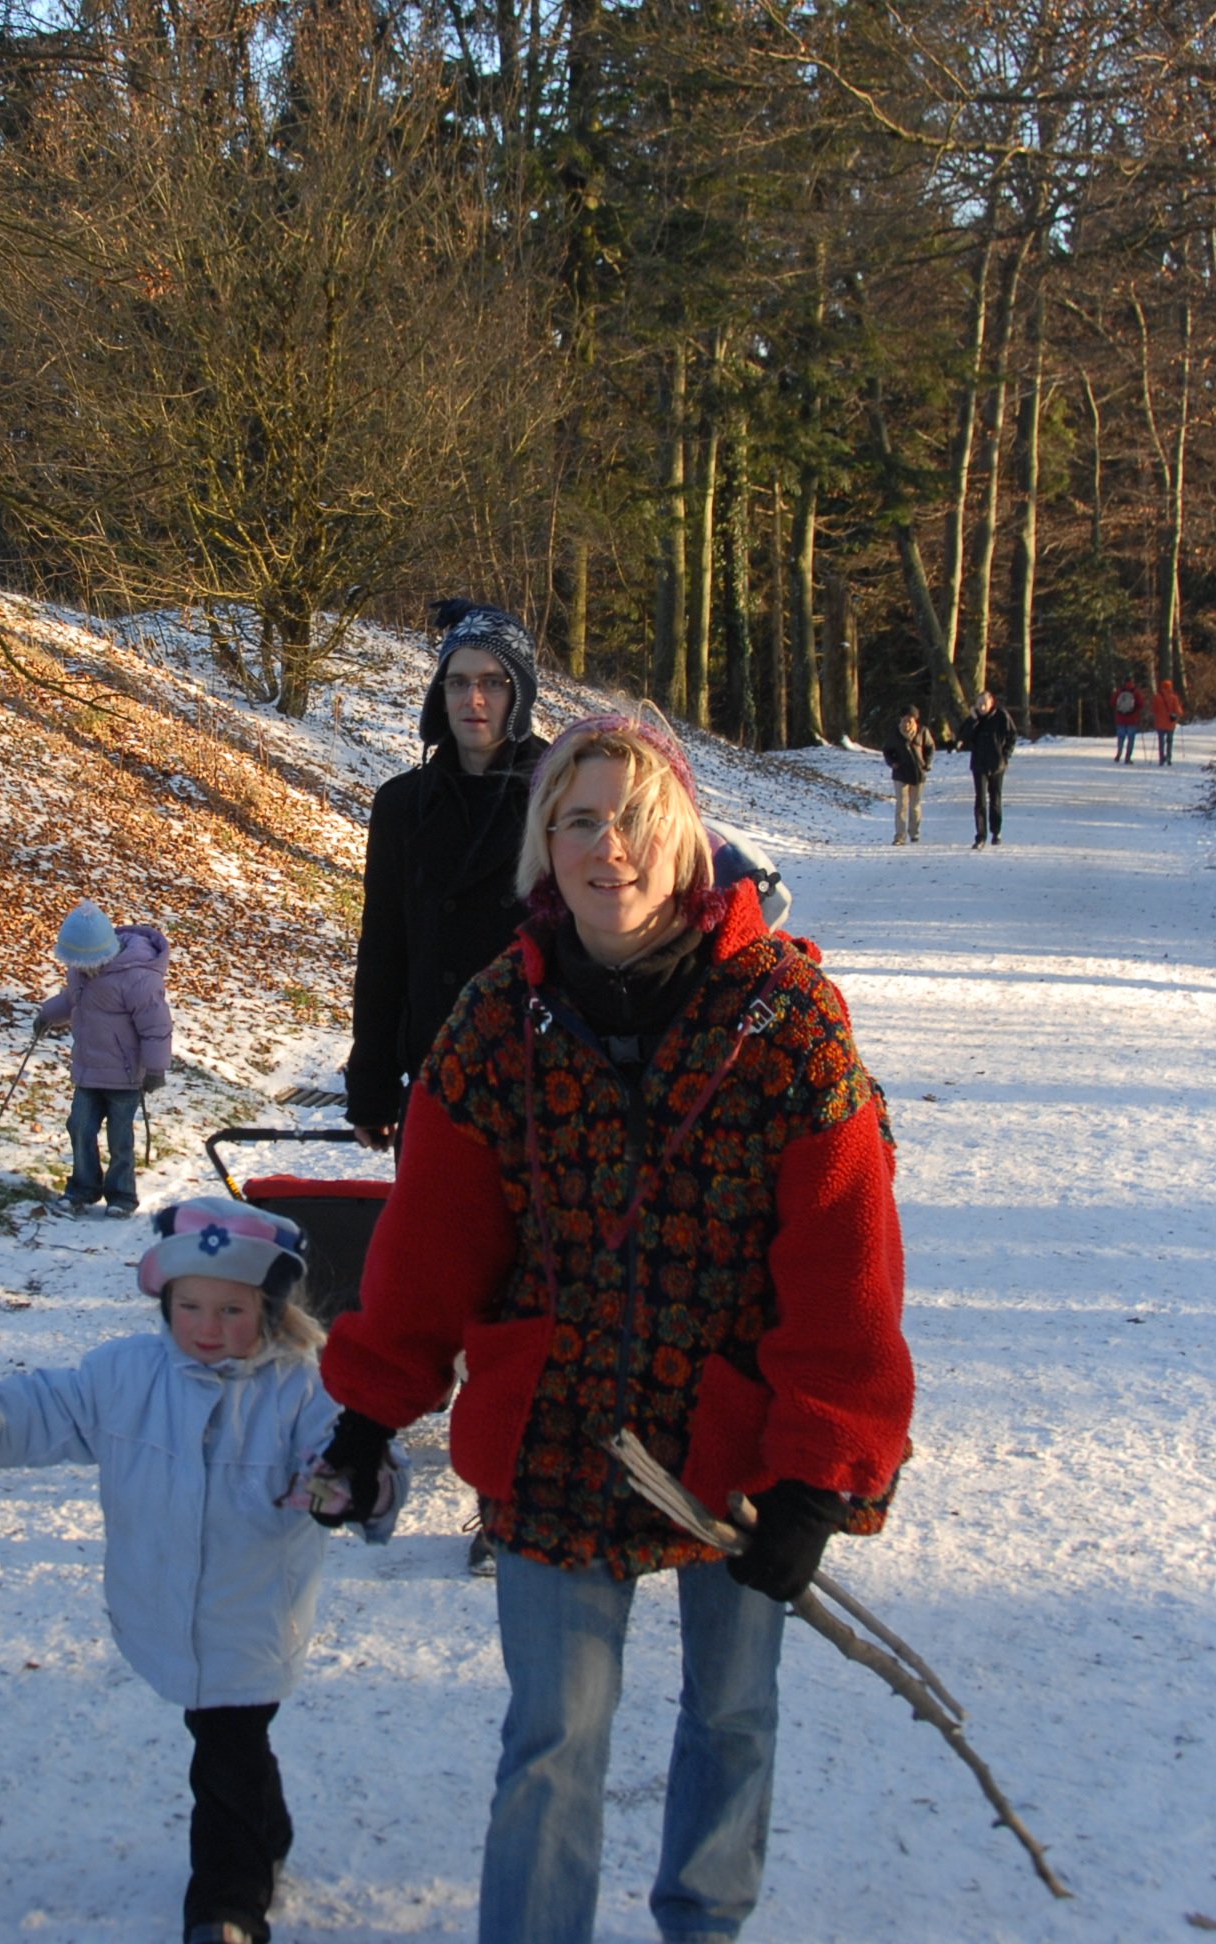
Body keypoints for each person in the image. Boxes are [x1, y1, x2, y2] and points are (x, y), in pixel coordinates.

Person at [310, 712, 913, 1944]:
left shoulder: (787, 1018)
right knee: (550, 1739)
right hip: (556, 1431)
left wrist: (820, 1470)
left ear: (683, 837)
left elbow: (847, 1260)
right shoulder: (491, 1023)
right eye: (578, 820)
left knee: (732, 1714)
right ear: (546, 845)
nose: (608, 847)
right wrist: (371, 1413)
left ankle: (703, 1924)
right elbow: (430, 1242)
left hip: (733, 1443)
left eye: (633, 819)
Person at [0, 1197, 406, 1944]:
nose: (208, 1330)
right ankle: (266, 1831)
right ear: (165, 1301)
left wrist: (349, 1482)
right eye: (190, 1307)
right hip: (159, 1608)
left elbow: (352, 1450)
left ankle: (227, 1904)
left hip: (251, 1619)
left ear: (271, 1310)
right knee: (224, 1742)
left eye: (232, 1311)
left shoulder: (304, 1388)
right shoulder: (126, 1374)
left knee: (225, 1750)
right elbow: (52, 1409)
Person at [345, 601, 551, 1151]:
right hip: (435, 1080)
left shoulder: (561, 796)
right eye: (457, 682)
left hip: (546, 1088)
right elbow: (385, 950)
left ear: (521, 694)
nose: (473, 699)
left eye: (492, 682)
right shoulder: (403, 805)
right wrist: (372, 1084)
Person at [35, 899, 173, 1216]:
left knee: (119, 1137)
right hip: (88, 1070)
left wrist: (155, 1068)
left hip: (124, 1076)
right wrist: (47, 1016)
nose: (80, 970)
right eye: (75, 964)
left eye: (84, 963)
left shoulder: (138, 979)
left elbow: (156, 1026)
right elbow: (72, 1001)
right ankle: (82, 1189)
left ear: (102, 953)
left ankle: (121, 1196)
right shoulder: (82, 975)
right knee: (80, 1126)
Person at [960, 689, 1018, 849]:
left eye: (984, 703)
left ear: (991, 702)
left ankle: (996, 831)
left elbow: (1012, 735)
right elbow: (963, 737)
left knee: (995, 798)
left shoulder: (1001, 716)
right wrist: (972, 720)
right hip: (979, 764)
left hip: (997, 763)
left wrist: (1005, 754)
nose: (982, 706)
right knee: (980, 800)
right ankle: (980, 835)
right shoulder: (974, 719)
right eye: (979, 704)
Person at [880, 706, 933, 844]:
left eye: (910, 721)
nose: (907, 724)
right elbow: (886, 750)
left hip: (918, 772)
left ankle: (914, 832)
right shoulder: (895, 734)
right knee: (901, 805)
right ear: (900, 720)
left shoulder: (922, 732)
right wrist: (892, 763)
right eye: (904, 720)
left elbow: (930, 747)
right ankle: (900, 836)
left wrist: (927, 763)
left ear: (915, 721)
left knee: (915, 805)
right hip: (900, 773)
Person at [1151, 675, 1185, 765]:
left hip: (1160, 723)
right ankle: (1169, 758)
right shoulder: (1174, 698)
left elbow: (1154, 710)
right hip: (1170, 723)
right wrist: (1180, 713)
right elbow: (1177, 710)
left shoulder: (1157, 697)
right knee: (1169, 741)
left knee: (1161, 742)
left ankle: (1161, 758)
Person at [1110, 674, 1144, 763]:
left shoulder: (1119, 691)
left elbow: (1112, 702)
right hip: (1132, 719)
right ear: (1133, 682)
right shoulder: (1136, 692)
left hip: (1120, 718)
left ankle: (1119, 753)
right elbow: (1141, 704)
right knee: (1130, 739)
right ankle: (1127, 757)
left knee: (1121, 738)